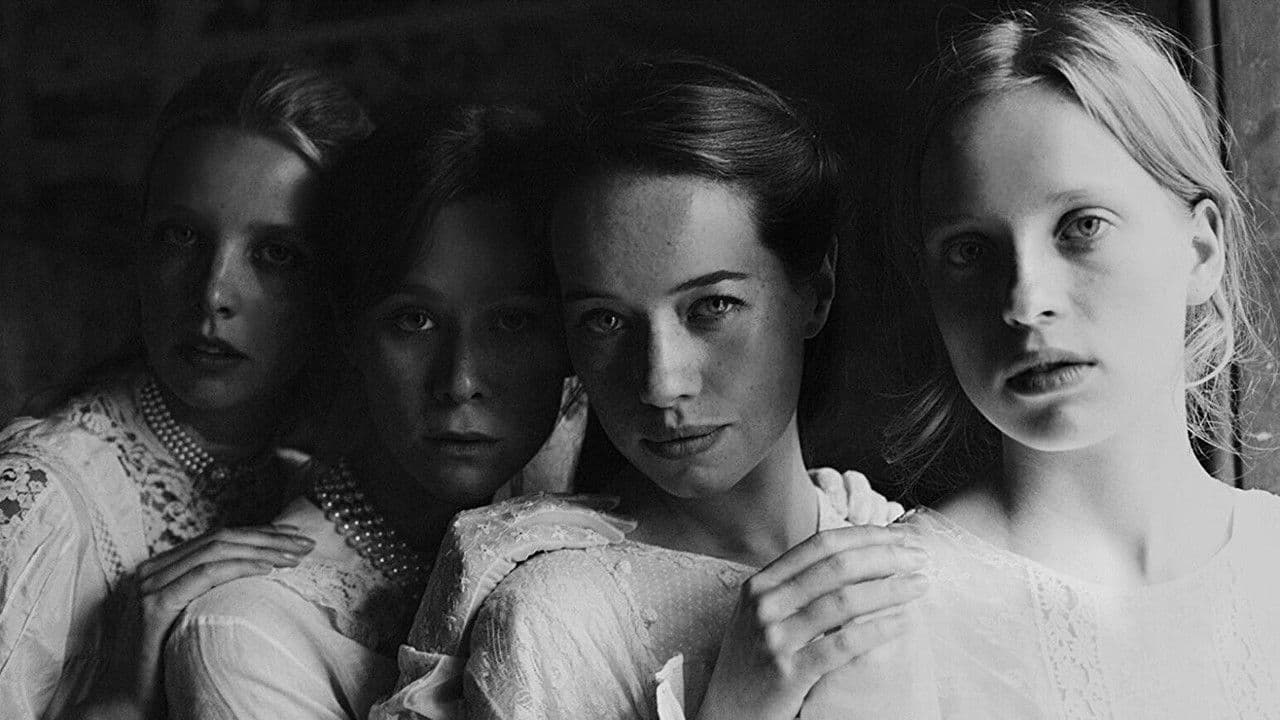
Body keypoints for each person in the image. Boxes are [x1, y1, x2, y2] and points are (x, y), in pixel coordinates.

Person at [380, 56, 924, 720]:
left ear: (816, 290)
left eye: (712, 307)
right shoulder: (553, 617)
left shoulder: (901, 546)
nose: (661, 383)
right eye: (605, 321)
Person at [806, 4, 1280, 718]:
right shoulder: (883, 625)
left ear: (1201, 250)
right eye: (970, 251)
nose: (1026, 301)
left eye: (1082, 227)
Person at [160, 102, 620, 720]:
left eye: (513, 322)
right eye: (414, 320)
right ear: (350, 330)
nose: (460, 382)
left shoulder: (590, 529)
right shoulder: (248, 633)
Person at [0, 61, 372, 719]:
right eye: (182, 237)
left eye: (276, 254)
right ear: (141, 251)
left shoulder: (312, 488)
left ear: (337, 286)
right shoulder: (40, 501)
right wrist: (118, 700)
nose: (213, 293)